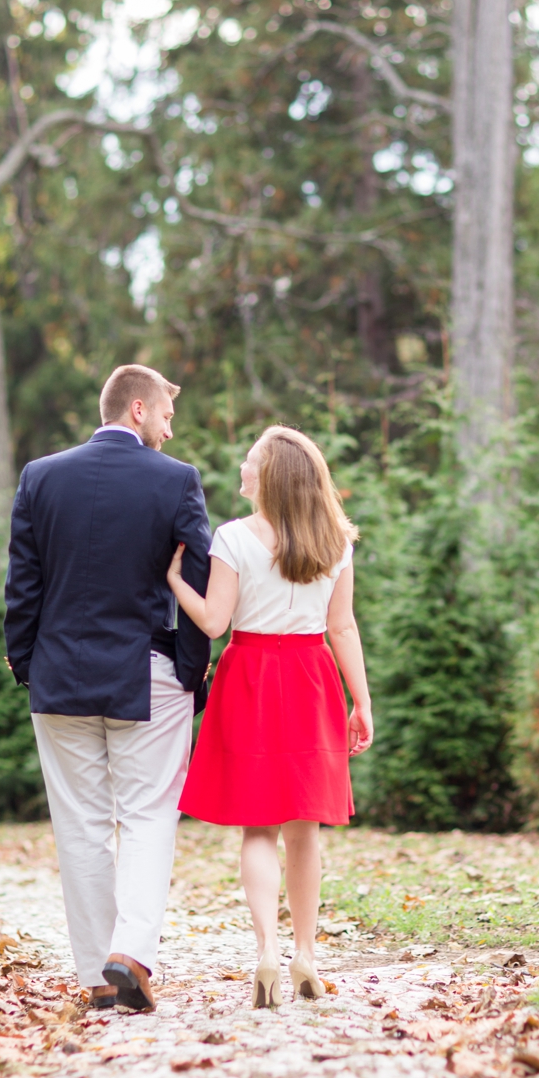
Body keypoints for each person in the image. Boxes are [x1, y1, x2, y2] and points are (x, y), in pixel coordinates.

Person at [5, 365, 214, 1015]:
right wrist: (191, 667)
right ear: (138, 408)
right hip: (146, 670)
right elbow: (201, 578)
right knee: (149, 815)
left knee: (81, 826)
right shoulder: (175, 479)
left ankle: (99, 977)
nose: (169, 429)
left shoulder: (41, 476)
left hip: (59, 674)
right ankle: (129, 951)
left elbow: (23, 583)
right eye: (167, 417)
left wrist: (26, 662)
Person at [168, 425, 375, 1009]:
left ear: (270, 476)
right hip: (311, 679)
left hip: (251, 676)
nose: (242, 465)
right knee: (304, 828)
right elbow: (342, 628)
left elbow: (213, 623)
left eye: (250, 460)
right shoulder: (336, 542)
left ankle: (266, 951)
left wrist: (176, 581)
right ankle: (305, 954)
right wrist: (362, 701)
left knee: (257, 826)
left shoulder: (233, 539)